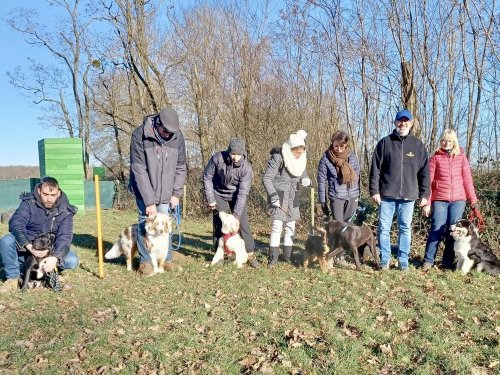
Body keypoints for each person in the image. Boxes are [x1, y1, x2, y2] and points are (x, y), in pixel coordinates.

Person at [369, 109, 430, 271]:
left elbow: (424, 172)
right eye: (400, 121)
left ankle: (403, 261)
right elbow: (375, 169)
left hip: (409, 196)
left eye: (406, 121)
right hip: (387, 195)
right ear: (395, 122)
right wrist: (374, 191)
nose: (403, 124)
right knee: (384, 229)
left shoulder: (417, 145)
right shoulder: (384, 143)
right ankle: (385, 260)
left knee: (405, 228)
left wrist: (425, 195)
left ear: (411, 123)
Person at [129, 107, 187, 276]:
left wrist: (176, 194)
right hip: (144, 188)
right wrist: (149, 202)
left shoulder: (178, 137)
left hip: (167, 190)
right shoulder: (140, 135)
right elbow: (139, 169)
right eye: (165, 131)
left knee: (165, 224)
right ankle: (145, 261)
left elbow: (181, 167)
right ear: (157, 124)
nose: (168, 135)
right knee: (145, 222)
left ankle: (166, 259)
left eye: (171, 133)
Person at [0, 177, 79, 293]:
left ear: (59, 193)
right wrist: (28, 245)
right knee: (6, 241)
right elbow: (16, 223)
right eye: (45, 194)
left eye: (53, 195)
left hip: (50, 250)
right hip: (27, 247)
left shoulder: (66, 210)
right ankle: (13, 278)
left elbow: (65, 237)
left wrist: (55, 257)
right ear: (39, 191)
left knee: (72, 260)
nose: (48, 199)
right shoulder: (28, 202)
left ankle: (46, 270)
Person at [422, 129, 478, 270]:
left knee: (452, 232)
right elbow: (428, 182)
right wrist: (427, 203)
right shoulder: (435, 158)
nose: (446, 143)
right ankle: (428, 261)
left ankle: (447, 262)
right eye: (443, 140)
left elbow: (467, 181)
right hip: (439, 200)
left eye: (449, 140)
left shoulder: (462, 158)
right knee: (436, 229)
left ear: (454, 142)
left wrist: (473, 201)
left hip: (458, 201)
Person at [203, 138, 260, 268]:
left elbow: (242, 193)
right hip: (218, 193)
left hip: (236, 195)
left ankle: (250, 254)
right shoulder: (217, 158)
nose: (235, 157)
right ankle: (220, 255)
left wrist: (236, 216)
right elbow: (207, 177)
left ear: (243, 153)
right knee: (219, 223)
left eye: (238, 154)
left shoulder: (246, 168)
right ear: (228, 151)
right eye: (232, 153)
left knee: (243, 224)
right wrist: (211, 199)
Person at [262, 130, 311, 268]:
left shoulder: (301, 159)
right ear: (291, 149)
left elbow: (302, 173)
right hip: (278, 196)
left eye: (301, 152)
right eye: (297, 152)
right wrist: (272, 195)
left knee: (291, 226)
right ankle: (273, 258)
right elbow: (266, 178)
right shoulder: (278, 157)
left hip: (293, 196)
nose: (299, 154)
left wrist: (305, 180)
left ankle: (287, 257)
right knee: (277, 226)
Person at [317, 130, 360, 222]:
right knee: (339, 228)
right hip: (336, 197)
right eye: (336, 146)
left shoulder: (352, 157)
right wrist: (322, 201)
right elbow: (321, 181)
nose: (339, 149)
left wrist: (357, 194)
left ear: (346, 145)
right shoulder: (325, 159)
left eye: (342, 146)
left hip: (352, 196)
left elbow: (357, 176)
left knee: (349, 228)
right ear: (332, 143)